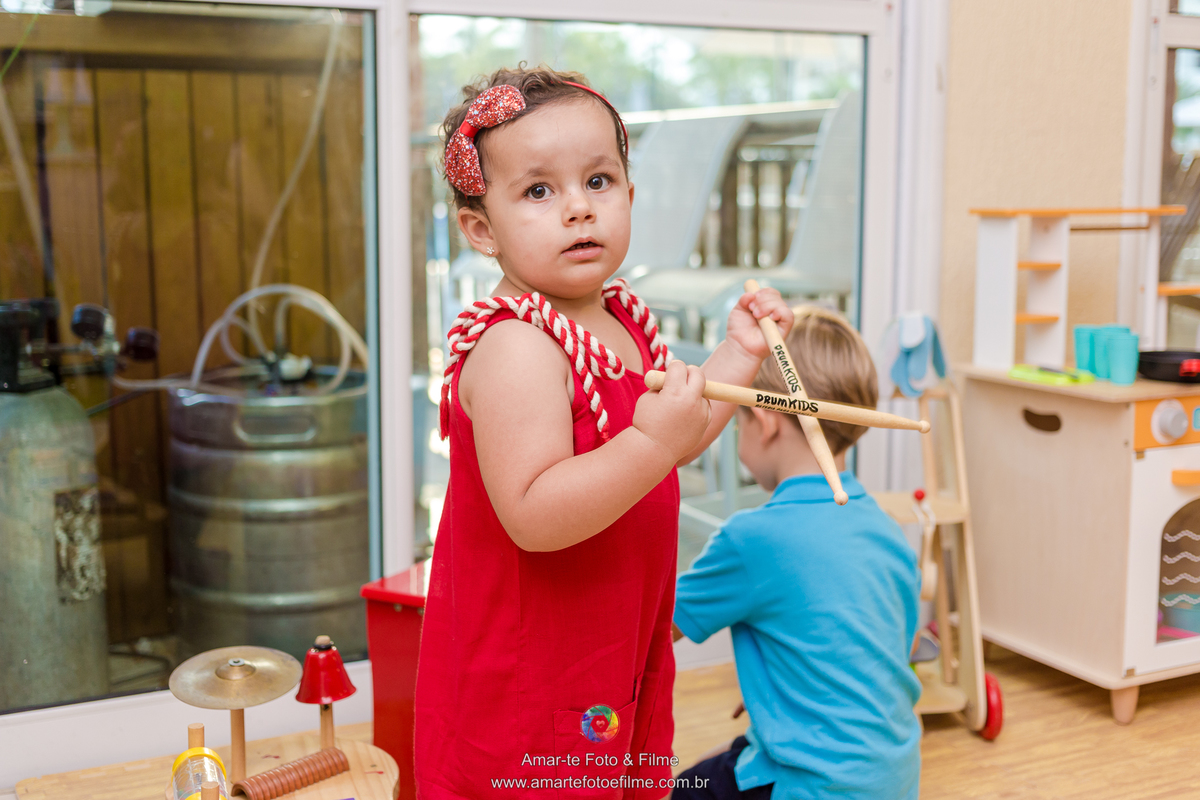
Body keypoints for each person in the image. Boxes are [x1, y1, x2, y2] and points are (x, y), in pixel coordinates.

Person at [414, 65, 794, 799]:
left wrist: (739, 355)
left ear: (628, 190)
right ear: (480, 229)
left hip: (611, 648)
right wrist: (649, 443)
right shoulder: (516, 346)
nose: (578, 211)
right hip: (532, 677)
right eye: (538, 191)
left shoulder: (620, 317)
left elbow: (675, 431)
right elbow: (533, 514)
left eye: (598, 182)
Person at [672, 307, 921, 800]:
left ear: (762, 422)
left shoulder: (754, 540)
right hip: (893, 779)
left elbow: (656, 630)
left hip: (810, 786)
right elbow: (879, 648)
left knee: (686, 790)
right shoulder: (887, 530)